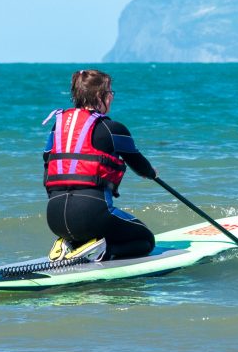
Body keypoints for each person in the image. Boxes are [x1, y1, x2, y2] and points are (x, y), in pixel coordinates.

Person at [42, 69, 157, 261]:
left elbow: (48, 162)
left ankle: (70, 242)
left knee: (91, 227)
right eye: (110, 92)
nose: (112, 97)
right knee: (145, 240)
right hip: (91, 215)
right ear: (99, 95)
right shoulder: (112, 129)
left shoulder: (58, 127)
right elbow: (140, 165)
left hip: (55, 219)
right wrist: (151, 172)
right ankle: (103, 250)